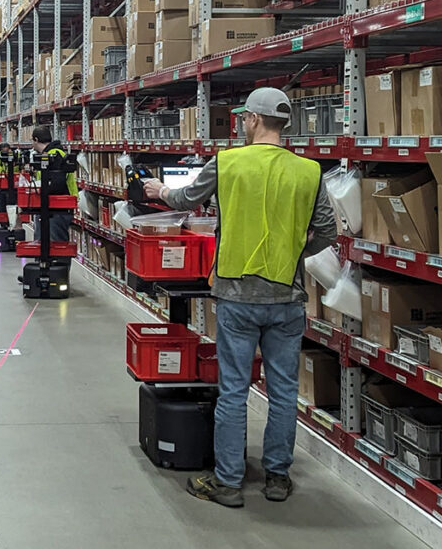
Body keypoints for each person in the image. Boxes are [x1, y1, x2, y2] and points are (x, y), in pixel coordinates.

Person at [143, 88, 336, 507]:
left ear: (251, 120)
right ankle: (277, 478)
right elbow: (327, 231)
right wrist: (293, 253)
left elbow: (184, 198)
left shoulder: (228, 163)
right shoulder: (308, 171)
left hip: (236, 292)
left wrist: (159, 190)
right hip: (287, 295)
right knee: (284, 391)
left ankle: (229, 483)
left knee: (233, 390)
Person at [30, 127, 77, 242]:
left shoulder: (54, 154)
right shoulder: (49, 153)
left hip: (58, 206)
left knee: (56, 244)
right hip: (51, 205)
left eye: (32, 141)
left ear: (36, 140)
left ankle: (58, 260)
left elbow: (57, 182)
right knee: (45, 243)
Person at [0, 142, 19, 215]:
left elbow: (20, 167)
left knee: (13, 207)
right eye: (3, 150)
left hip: (13, 185)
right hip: (0, 185)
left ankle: (12, 221)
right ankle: (3, 224)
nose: (5, 152)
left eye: (7, 150)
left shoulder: (16, 155)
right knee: (2, 208)